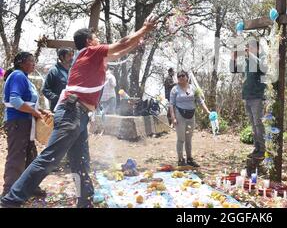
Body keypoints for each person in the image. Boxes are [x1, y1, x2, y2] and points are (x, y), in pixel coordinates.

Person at [0, 14, 158, 208]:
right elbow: (121, 43)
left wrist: (140, 40)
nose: (100, 40)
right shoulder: (89, 52)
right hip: (71, 112)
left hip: (78, 114)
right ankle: (10, 201)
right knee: (49, 159)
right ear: (89, 41)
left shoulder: (91, 56)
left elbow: (120, 52)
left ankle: (85, 200)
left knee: (80, 161)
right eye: (96, 37)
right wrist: (144, 29)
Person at [1, 52, 46, 198]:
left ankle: (30, 186)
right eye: (31, 61)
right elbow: (15, 100)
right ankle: (9, 192)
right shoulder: (18, 75)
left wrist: (40, 111)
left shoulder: (25, 78)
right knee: (17, 156)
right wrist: (34, 112)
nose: (34, 63)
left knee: (30, 154)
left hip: (26, 121)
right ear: (21, 63)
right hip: (18, 122)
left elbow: (27, 102)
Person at [231, 40, 266, 159]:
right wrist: (234, 58)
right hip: (247, 96)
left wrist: (250, 54)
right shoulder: (246, 62)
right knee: (253, 124)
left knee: (258, 123)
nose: (247, 49)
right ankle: (257, 149)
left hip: (257, 97)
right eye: (247, 47)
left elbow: (263, 68)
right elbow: (233, 70)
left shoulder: (261, 59)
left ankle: (262, 149)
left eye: (250, 47)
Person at [169, 70, 210, 168]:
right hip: (180, 115)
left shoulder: (193, 88)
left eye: (183, 75)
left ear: (187, 77)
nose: (181, 77)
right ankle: (180, 159)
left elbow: (200, 101)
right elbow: (171, 105)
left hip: (191, 116)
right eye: (179, 76)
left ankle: (189, 158)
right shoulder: (175, 89)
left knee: (189, 139)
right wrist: (173, 118)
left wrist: (207, 111)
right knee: (181, 139)